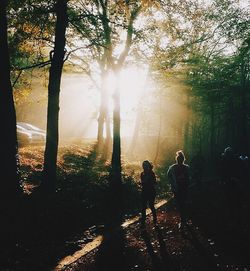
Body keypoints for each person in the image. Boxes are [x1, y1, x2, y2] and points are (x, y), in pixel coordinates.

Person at [167, 150, 190, 229]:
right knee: (182, 204)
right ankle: (183, 220)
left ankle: (183, 220)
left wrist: (172, 183)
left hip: (178, 189)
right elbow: (189, 178)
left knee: (180, 205)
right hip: (182, 189)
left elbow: (168, 176)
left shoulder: (172, 168)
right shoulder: (186, 168)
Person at [140, 160, 157, 228]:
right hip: (144, 191)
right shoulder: (142, 173)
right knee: (143, 206)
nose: (144, 166)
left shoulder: (152, 173)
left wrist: (148, 181)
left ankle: (155, 218)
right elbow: (142, 182)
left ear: (149, 166)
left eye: (146, 165)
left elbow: (154, 182)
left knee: (151, 205)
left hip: (151, 191)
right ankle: (143, 221)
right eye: (143, 165)